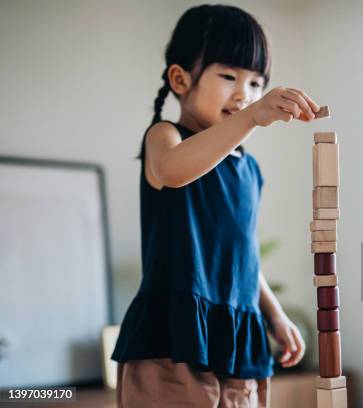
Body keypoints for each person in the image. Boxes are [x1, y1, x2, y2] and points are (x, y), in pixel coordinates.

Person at [111, 4, 319, 407]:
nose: (245, 94)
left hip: (238, 342)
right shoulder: (164, 137)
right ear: (180, 79)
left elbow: (244, 255)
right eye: (229, 76)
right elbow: (175, 171)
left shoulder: (249, 169)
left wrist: (274, 314)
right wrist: (253, 116)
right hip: (172, 341)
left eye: (257, 83)